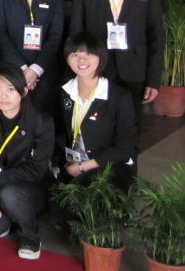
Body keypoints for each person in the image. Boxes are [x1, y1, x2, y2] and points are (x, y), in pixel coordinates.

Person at [70, 0, 164, 129]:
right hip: (95, 68)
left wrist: (153, 79)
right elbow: (76, 30)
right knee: (96, 130)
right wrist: (79, 70)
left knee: (131, 128)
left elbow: (156, 33)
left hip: (134, 68)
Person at [0, 63, 54, 260]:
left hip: (30, 187)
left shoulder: (41, 122)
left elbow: (36, 170)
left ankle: (31, 237)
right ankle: (11, 216)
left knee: (10, 194)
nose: (3, 96)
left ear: (24, 90)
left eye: (10, 89)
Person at [54, 33, 136, 191]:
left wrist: (83, 167)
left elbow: (125, 147)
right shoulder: (64, 92)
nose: (81, 60)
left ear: (101, 58)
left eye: (89, 54)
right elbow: (59, 133)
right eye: (75, 54)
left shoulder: (119, 96)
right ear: (67, 59)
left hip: (109, 167)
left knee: (74, 197)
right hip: (73, 164)